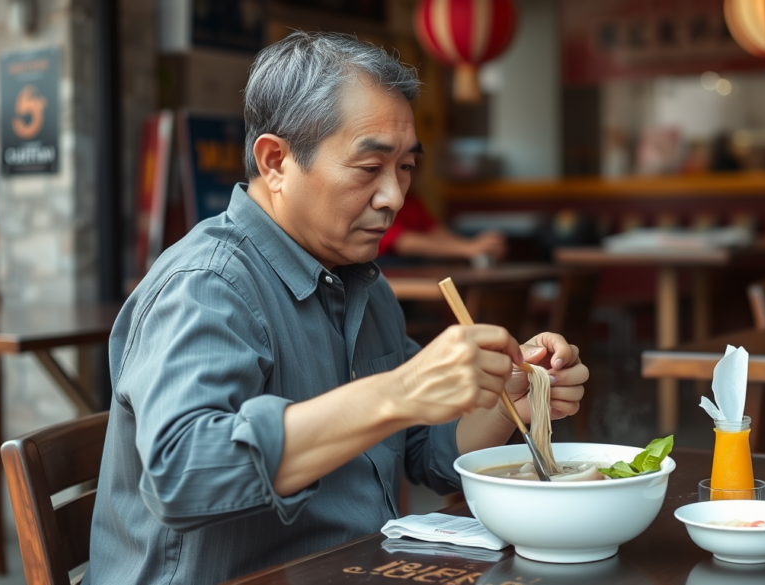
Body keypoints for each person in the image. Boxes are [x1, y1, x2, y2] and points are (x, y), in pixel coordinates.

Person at [83, 32, 588, 584]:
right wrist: (398, 393)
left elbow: (426, 452)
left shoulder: (364, 288)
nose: (393, 197)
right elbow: (184, 475)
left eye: (405, 168)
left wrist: (508, 396)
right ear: (275, 161)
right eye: (369, 168)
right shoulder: (208, 285)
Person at [376, 192, 507, 265]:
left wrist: (476, 246)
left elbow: (435, 231)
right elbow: (403, 243)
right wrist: (469, 248)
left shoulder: (411, 200)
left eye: (408, 167)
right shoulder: (380, 201)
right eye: (404, 167)